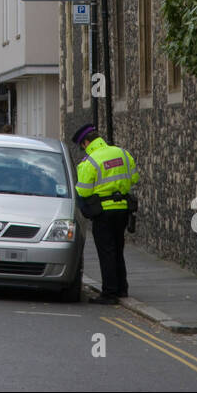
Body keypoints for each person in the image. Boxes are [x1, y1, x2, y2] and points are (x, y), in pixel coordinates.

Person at [72, 123, 138, 305]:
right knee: (118, 248)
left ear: (86, 142)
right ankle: (122, 288)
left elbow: (83, 191)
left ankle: (109, 293)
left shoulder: (90, 161)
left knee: (106, 251)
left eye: (82, 146)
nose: (83, 149)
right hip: (123, 208)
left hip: (103, 212)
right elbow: (134, 178)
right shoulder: (122, 153)